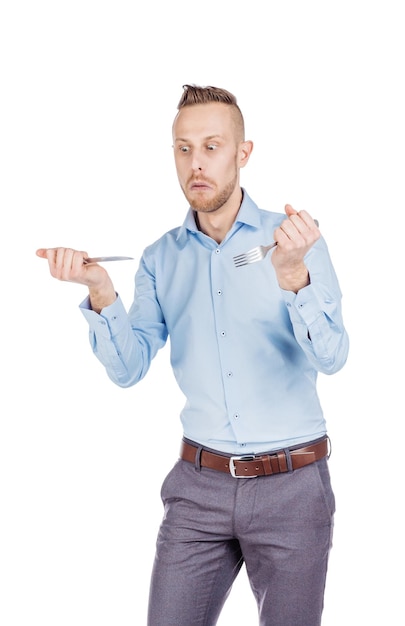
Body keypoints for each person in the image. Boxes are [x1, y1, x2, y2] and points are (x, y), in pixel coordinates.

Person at [37, 84, 349, 626]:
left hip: (292, 490)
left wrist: (294, 277)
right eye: (183, 149)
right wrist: (101, 292)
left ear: (242, 153)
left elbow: (333, 357)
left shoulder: (295, 239)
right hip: (197, 491)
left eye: (212, 146)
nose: (196, 164)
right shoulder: (161, 258)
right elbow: (129, 369)